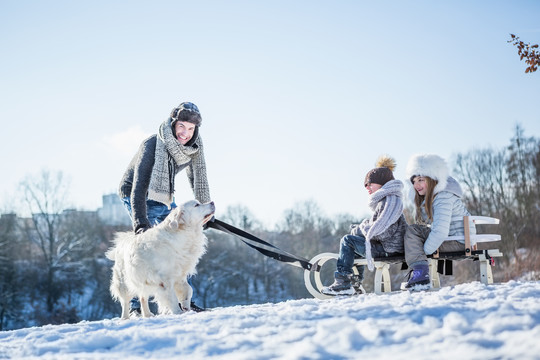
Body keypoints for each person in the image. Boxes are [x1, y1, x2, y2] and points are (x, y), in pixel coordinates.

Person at [118, 101, 211, 312]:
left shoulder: (192, 149)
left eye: (190, 128)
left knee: (177, 244)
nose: (185, 133)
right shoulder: (152, 145)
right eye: (181, 126)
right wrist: (141, 225)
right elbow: (138, 188)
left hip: (164, 196)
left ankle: (181, 300)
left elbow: (198, 180)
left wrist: (204, 212)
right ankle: (135, 307)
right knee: (145, 251)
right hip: (136, 194)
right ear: (173, 123)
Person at [321, 156, 407, 296]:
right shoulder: (388, 200)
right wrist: (362, 228)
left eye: (369, 183)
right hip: (388, 247)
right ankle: (354, 285)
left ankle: (343, 283)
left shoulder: (390, 201)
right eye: (365, 185)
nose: (367, 187)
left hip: (389, 248)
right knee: (352, 245)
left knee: (347, 241)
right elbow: (378, 226)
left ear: (382, 183)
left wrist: (362, 229)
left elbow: (382, 231)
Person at [403, 153, 475, 290]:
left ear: (432, 179)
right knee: (414, 233)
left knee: (412, 232)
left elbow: (440, 232)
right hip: (455, 239)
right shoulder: (437, 196)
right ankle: (419, 270)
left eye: (420, 180)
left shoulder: (443, 197)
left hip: (458, 242)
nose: (416, 185)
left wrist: (424, 252)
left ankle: (420, 274)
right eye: (413, 181)